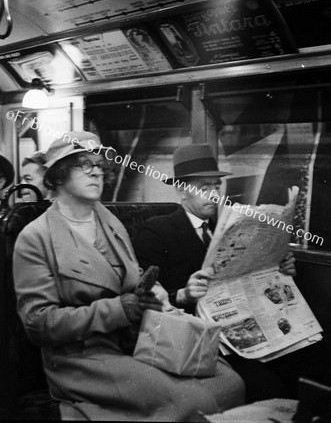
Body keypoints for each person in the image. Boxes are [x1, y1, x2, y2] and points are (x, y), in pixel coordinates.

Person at [13, 132, 245, 421]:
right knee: (194, 399)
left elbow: (132, 277)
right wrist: (119, 309)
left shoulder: (108, 220)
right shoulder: (35, 237)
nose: (97, 170)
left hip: (136, 337)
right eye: (85, 164)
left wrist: (155, 291)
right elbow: (39, 324)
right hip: (82, 356)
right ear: (58, 175)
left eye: (99, 165)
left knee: (229, 383)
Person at [133, 143, 330, 401]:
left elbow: (260, 273)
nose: (214, 194)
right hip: (209, 339)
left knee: (323, 357)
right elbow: (146, 300)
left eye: (217, 186)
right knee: (267, 386)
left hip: (259, 323)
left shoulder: (234, 225)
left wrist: (283, 270)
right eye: (204, 187)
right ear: (182, 190)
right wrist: (182, 294)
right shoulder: (156, 231)